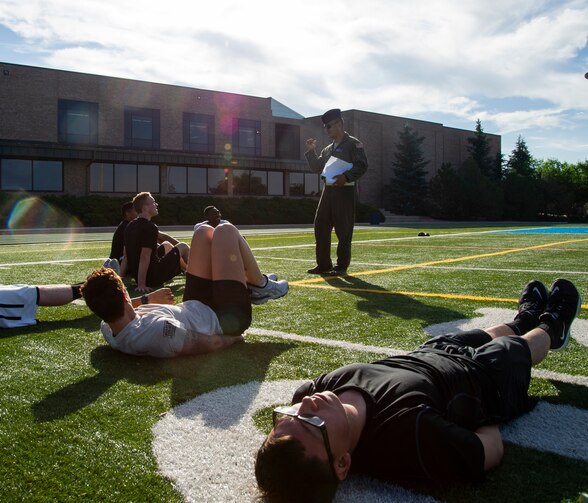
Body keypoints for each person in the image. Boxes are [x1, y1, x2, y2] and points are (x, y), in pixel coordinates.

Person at [255, 278, 582, 502]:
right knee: (511, 349)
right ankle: (552, 326)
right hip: (481, 379)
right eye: (312, 424)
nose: (307, 405)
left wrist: (303, 417)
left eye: (289, 415)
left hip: (429, 354)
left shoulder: (312, 394)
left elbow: (305, 410)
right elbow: (488, 451)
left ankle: (523, 318)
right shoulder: (408, 436)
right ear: (342, 464)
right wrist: (485, 404)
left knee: (485, 332)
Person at [82, 221, 289, 357]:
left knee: (203, 232)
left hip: (195, 305)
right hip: (225, 318)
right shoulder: (154, 332)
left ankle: (250, 283)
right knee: (226, 230)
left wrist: (147, 300)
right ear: (124, 294)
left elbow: (119, 310)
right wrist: (232, 339)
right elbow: (197, 343)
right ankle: (261, 285)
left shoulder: (109, 325)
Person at [304, 109, 368, 276]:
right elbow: (317, 167)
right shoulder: (327, 149)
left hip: (344, 191)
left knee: (343, 230)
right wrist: (311, 152)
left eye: (329, 126)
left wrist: (346, 176)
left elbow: (362, 165)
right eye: (325, 127)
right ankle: (324, 265)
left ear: (339, 124)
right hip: (328, 191)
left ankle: (341, 267)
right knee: (321, 227)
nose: (327, 130)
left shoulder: (354, 144)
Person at [123, 192, 190, 292]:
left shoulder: (130, 226)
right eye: (153, 202)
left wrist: (120, 277)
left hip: (140, 276)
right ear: (145, 208)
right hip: (153, 278)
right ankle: (196, 275)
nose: (156, 204)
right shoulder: (150, 227)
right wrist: (142, 284)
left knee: (166, 245)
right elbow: (144, 256)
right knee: (183, 246)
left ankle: (187, 270)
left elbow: (126, 256)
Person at [103, 201, 137, 276]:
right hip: (120, 261)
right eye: (136, 210)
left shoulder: (125, 225)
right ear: (128, 213)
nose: (138, 212)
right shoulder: (128, 226)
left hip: (118, 259)